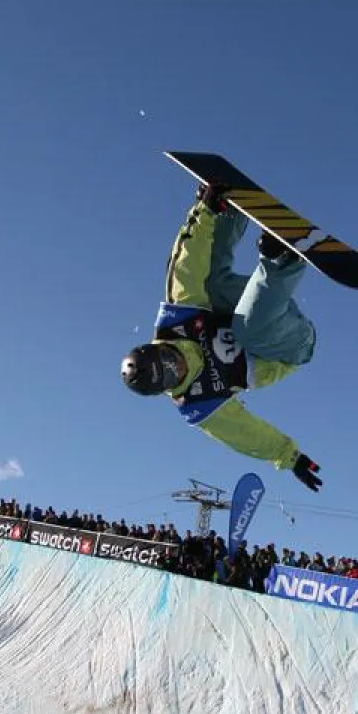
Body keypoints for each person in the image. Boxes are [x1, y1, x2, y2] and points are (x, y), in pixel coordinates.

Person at [120, 183, 323, 491]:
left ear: (157, 347)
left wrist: (206, 210)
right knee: (247, 330)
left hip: (254, 308)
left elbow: (188, 263)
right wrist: (290, 457)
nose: (178, 364)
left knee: (210, 284)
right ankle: (284, 260)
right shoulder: (200, 403)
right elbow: (247, 435)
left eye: (168, 356)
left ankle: (230, 212)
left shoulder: (177, 323)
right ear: (167, 386)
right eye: (173, 374)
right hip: (289, 346)